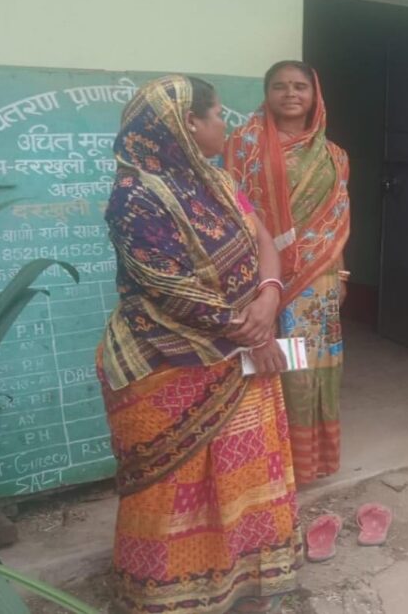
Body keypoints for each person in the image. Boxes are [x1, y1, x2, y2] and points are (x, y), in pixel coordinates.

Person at [97, 75, 302, 614]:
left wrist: (268, 298)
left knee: (245, 473)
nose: (224, 125)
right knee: (175, 491)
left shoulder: (216, 181)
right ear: (188, 123)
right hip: (169, 360)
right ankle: (174, 597)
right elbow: (170, 288)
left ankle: (244, 582)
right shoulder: (135, 197)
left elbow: (262, 238)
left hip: (241, 348)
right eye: (217, 115)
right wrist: (252, 330)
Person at [224, 60, 350, 485]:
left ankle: (306, 462)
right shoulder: (243, 145)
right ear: (267, 94)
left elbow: (337, 219)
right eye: (280, 86)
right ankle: (263, 461)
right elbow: (234, 211)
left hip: (318, 278)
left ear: (315, 96)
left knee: (308, 366)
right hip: (263, 278)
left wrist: (341, 274)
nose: (291, 94)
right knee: (266, 364)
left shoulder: (333, 155)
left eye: (300, 87)